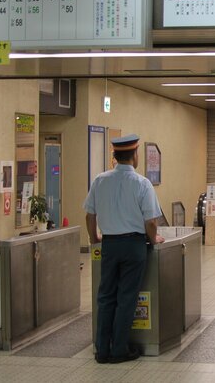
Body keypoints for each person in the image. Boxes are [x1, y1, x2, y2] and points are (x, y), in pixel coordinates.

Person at [84, 134, 165, 364]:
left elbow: (90, 215)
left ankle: (102, 349)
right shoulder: (142, 183)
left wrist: (94, 239)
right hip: (133, 245)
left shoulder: (100, 180)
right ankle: (119, 349)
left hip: (109, 244)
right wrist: (153, 238)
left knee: (105, 296)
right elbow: (150, 221)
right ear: (135, 155)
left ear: (115, 156)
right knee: (126, 297)